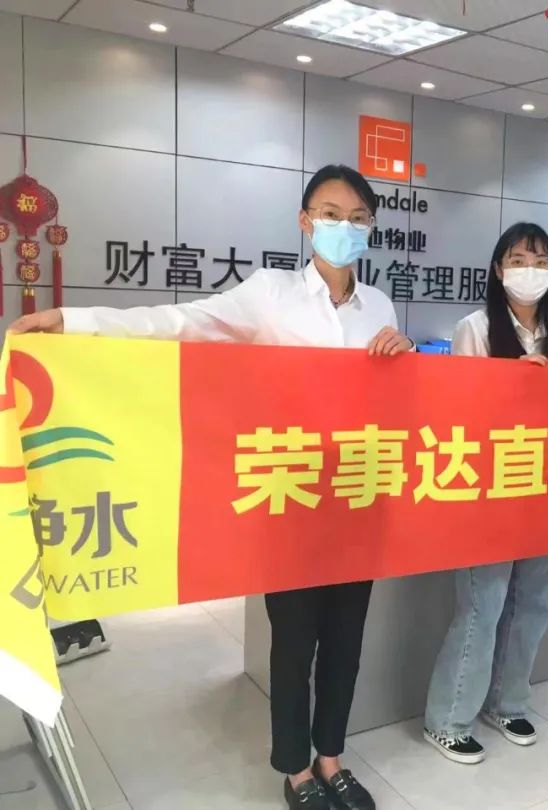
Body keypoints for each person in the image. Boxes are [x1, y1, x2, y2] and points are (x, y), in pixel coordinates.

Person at [10, 164, 412, 810]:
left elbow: (393, 398)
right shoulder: (271, 294)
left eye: (359, 218)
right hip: (291, 498)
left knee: (346, 641)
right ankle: (296, 771)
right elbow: (179, 322)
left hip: (358, 498)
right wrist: (71, 320)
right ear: (306, 221)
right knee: (294, 643)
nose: (346, 227)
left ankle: (332, 759)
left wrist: (402, 357)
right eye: (332, 214)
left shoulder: (381, 307)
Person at [423, 222, 548, 764]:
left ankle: (507, 702)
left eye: (540, 261)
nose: (529, 271)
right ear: (498, 269)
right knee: (482, 606)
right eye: (517, 260)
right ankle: (447, 718)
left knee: (534, 601)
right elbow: (459, 410)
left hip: (544, 488)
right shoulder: (473, 328)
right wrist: (513, 383)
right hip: (488, 488)